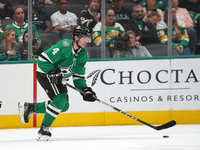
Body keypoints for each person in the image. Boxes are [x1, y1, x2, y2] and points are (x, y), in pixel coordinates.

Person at [18, 25, 97, 141]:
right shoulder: (65, 45)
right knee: (60, 100)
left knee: (64, 106)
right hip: (45, 73)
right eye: (84, 38)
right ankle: (44, 129)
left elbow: (78, 77)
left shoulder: (83, 54)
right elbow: (43, 59)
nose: (86, 41)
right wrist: (52, 72)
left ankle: (30, 107)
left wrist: (85, 90)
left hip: (59, 78)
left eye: (87, 38)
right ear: (76, 37)